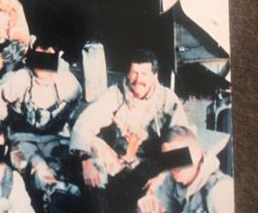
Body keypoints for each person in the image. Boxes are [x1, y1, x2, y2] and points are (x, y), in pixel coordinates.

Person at [70, 48, 191, 213]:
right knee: (92, 173)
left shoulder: (167, 100)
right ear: (127, 73)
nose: (138, 79)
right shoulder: (117, 93)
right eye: (134, 73)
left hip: (153, 162)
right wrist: (86, 160)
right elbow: (85, 122)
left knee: (158, 196)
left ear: (155, 75)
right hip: (119, 157)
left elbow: (182, 140)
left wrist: (164, 176)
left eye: (144, 74)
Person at [0, 35, 83, 212]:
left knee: (64, 170)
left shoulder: (69, 84)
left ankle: (68, 193)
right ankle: (53, 195)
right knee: (36, 168)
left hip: (56, 137)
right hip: (23, 138)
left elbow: (75, 106)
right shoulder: (18, 80)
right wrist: (4, 128)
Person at [137, 126, 234, 213]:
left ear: (197, 154)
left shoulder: (219, 192)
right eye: (169, 159)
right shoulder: (171, 182)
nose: (175, 166)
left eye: (180, 157)